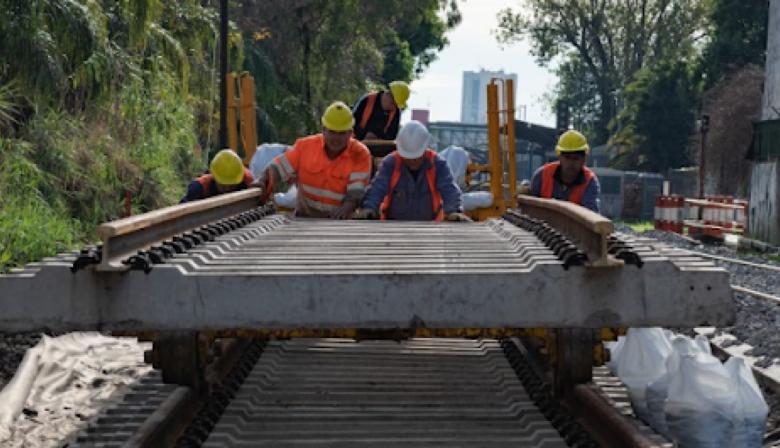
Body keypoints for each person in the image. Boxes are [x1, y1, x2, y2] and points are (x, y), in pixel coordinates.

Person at [253, 101, 371, 219]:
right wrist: (262, 179)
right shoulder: (304, 147)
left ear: (351, 133)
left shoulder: (360, 154)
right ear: (323, 130)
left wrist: (345, 209)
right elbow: (278, 168)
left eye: (342, 133)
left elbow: (356, 192)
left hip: (340, 222)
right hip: (304, 218)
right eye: (332, 132)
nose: (336, 138)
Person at [358, 120, 470, 222]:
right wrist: (369, 208)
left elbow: (448, 189)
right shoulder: (391, 163)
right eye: (408, 158)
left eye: (416, 158)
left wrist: (453, 211)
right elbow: (378, 188)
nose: (412, 161)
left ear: (425, 149)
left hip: (429, 228)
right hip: (393, 227)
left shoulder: (437, 164)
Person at [530, 130, 601, 213]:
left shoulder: (590, 181)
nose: (571, 163)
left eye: (576, 158)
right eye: (567, 157)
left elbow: (590, 215)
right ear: (559, 157)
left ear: (584, 159)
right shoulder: (542, 175)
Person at [180, 149, 253, 203]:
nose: (227, 190)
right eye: (223, 186)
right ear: (214, 177)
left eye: (231, 185)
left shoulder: (249, 181)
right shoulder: (199, 187)